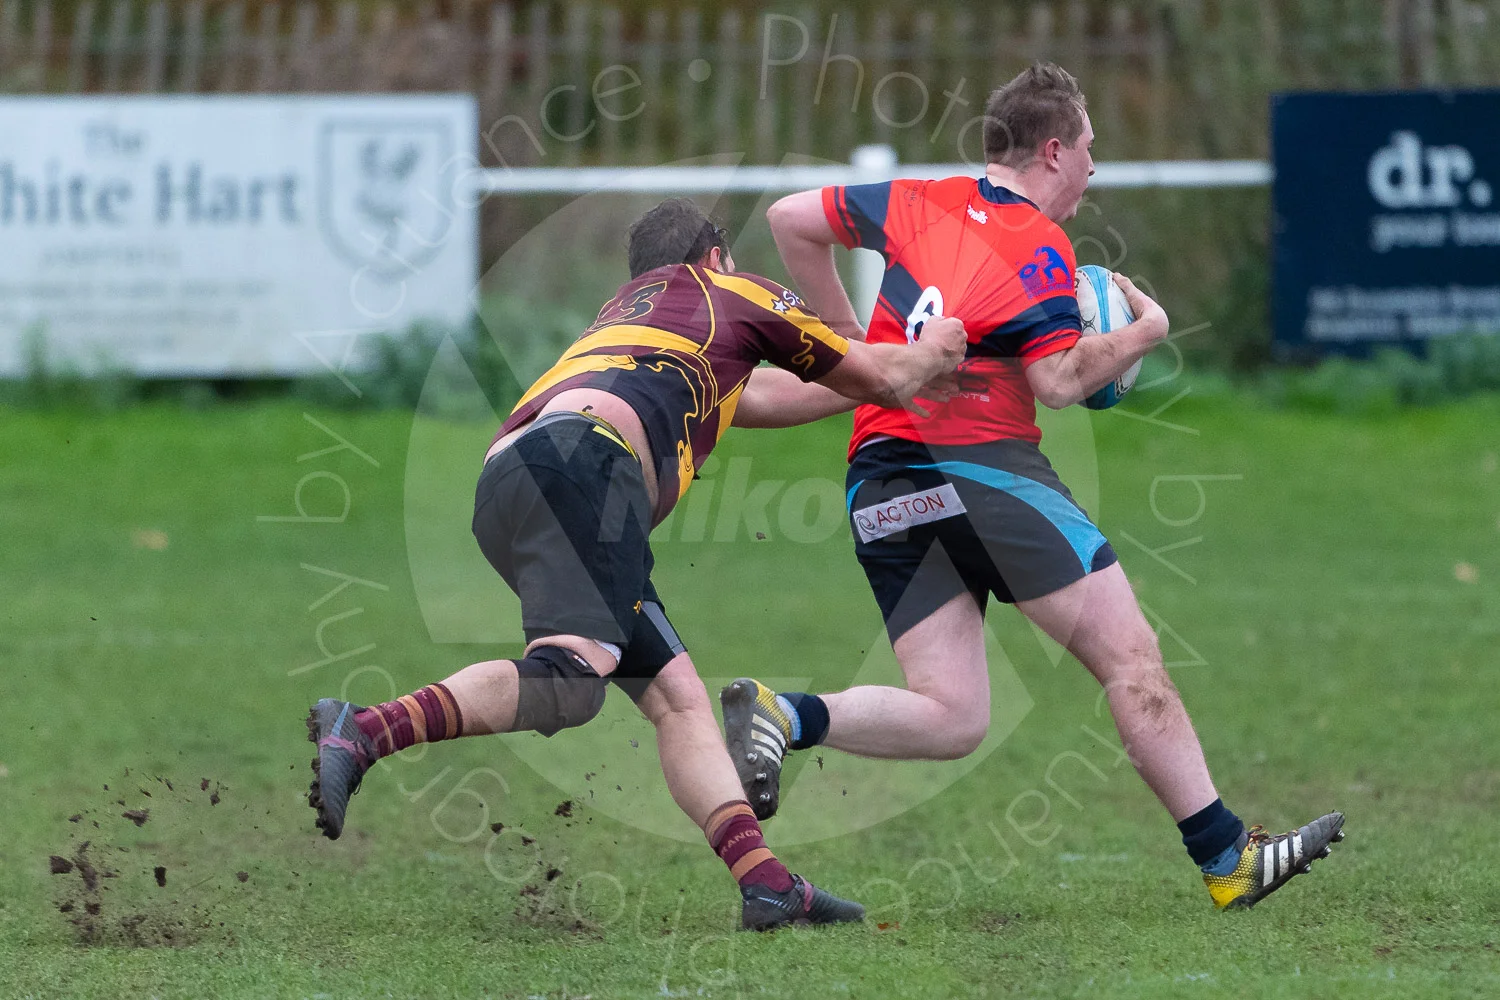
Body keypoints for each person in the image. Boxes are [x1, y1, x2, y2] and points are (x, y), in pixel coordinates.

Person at [723, 63, 1344, 910]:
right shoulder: (1040, 245)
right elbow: (1059, 382)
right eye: (1089, 147)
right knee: (1131, 660)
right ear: (1054, 151)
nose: (1093, 166)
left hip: (881, 478)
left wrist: (853, 349)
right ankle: (1228, 859)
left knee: (953, 714)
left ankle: (784, 716)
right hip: (983, 468)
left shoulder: (918, 199)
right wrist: (1149, 332)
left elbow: (790, 219)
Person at [304, 197, 968, 930]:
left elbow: (765, 394)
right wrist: (934, 350)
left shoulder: (630, 316)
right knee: (571, 682)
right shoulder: (731, 291)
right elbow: (872, 375)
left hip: (517, 477)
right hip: (587, 469)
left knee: (677, 696)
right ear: (714, 256)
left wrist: (880, 375)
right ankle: (367, 729)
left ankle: (767, 883)